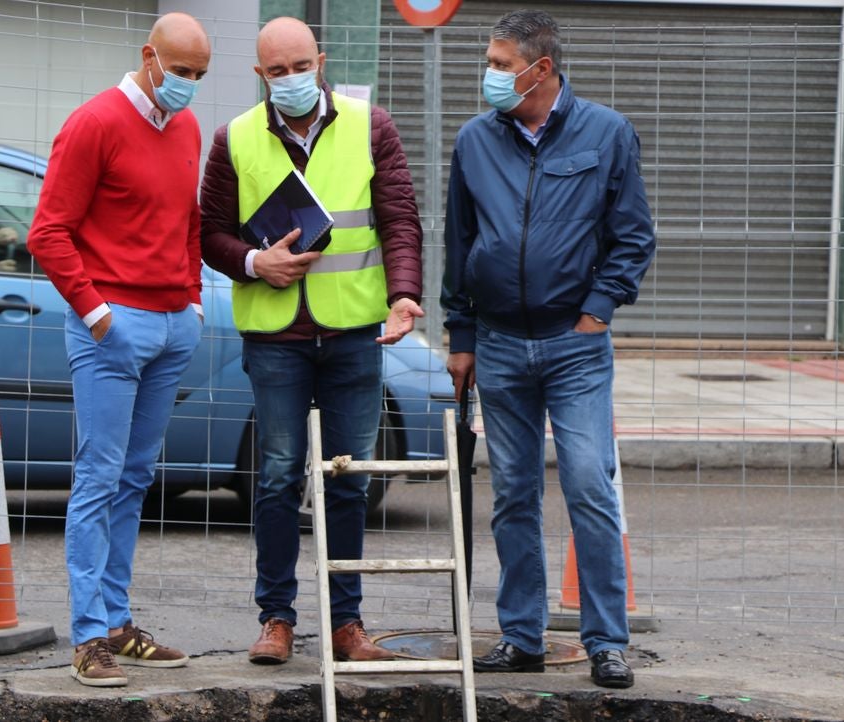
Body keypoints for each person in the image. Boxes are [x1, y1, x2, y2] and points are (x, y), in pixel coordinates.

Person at [199, 16, 423, 666]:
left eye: (301, 66)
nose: (292, 78)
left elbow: (399, 219)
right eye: (278, 71)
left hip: (354, 331)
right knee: (276, 477)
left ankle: (346, 624)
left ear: (320, 61)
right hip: (276, 336)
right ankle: (276, 619)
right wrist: (253, 262)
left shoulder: (370, 126)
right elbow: (210, 234)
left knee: (349, 479)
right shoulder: (235, 138)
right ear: (259, 74)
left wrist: (404, 294)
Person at [442, 10, 655, 689]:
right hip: (500, 345)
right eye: (490, 61)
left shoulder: (606, 132)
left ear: (541, 69)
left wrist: (598, 311)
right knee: (512, 495)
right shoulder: (475, 140)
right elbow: (459, 240)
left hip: (574, 345)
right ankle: (520, 636)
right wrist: (462, 335)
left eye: (501, 64)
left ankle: (606, 641)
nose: (489, 75)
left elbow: (633, 235)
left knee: (589, 484)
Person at [26, 12, 211, 688]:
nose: (188, 84)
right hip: (114, 324)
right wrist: (99, 314)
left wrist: (192, 301)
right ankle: (87, 637)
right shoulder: (94, 123)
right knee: (99, 477)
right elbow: (48, 232)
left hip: (171, 323)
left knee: (134, 478)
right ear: (148, 56)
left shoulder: (185, 126)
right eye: (181, 70)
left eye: (199, 74)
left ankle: (115, 622)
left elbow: (187, 221)